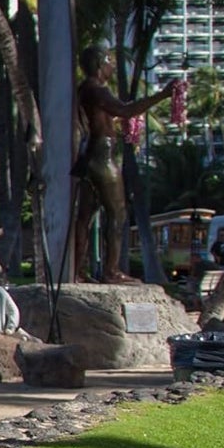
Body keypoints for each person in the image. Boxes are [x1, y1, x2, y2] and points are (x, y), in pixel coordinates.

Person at [75, 48, 176, 283]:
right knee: (117, 213)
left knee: (85, 216)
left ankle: (77, 270)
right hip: (102, 154)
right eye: (109, 61)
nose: (112, 65)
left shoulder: (85, 89)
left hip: (90, 153)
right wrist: (163, 94)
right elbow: (124, 110)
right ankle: (111, 271)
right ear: (100, 64)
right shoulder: (95, 89)